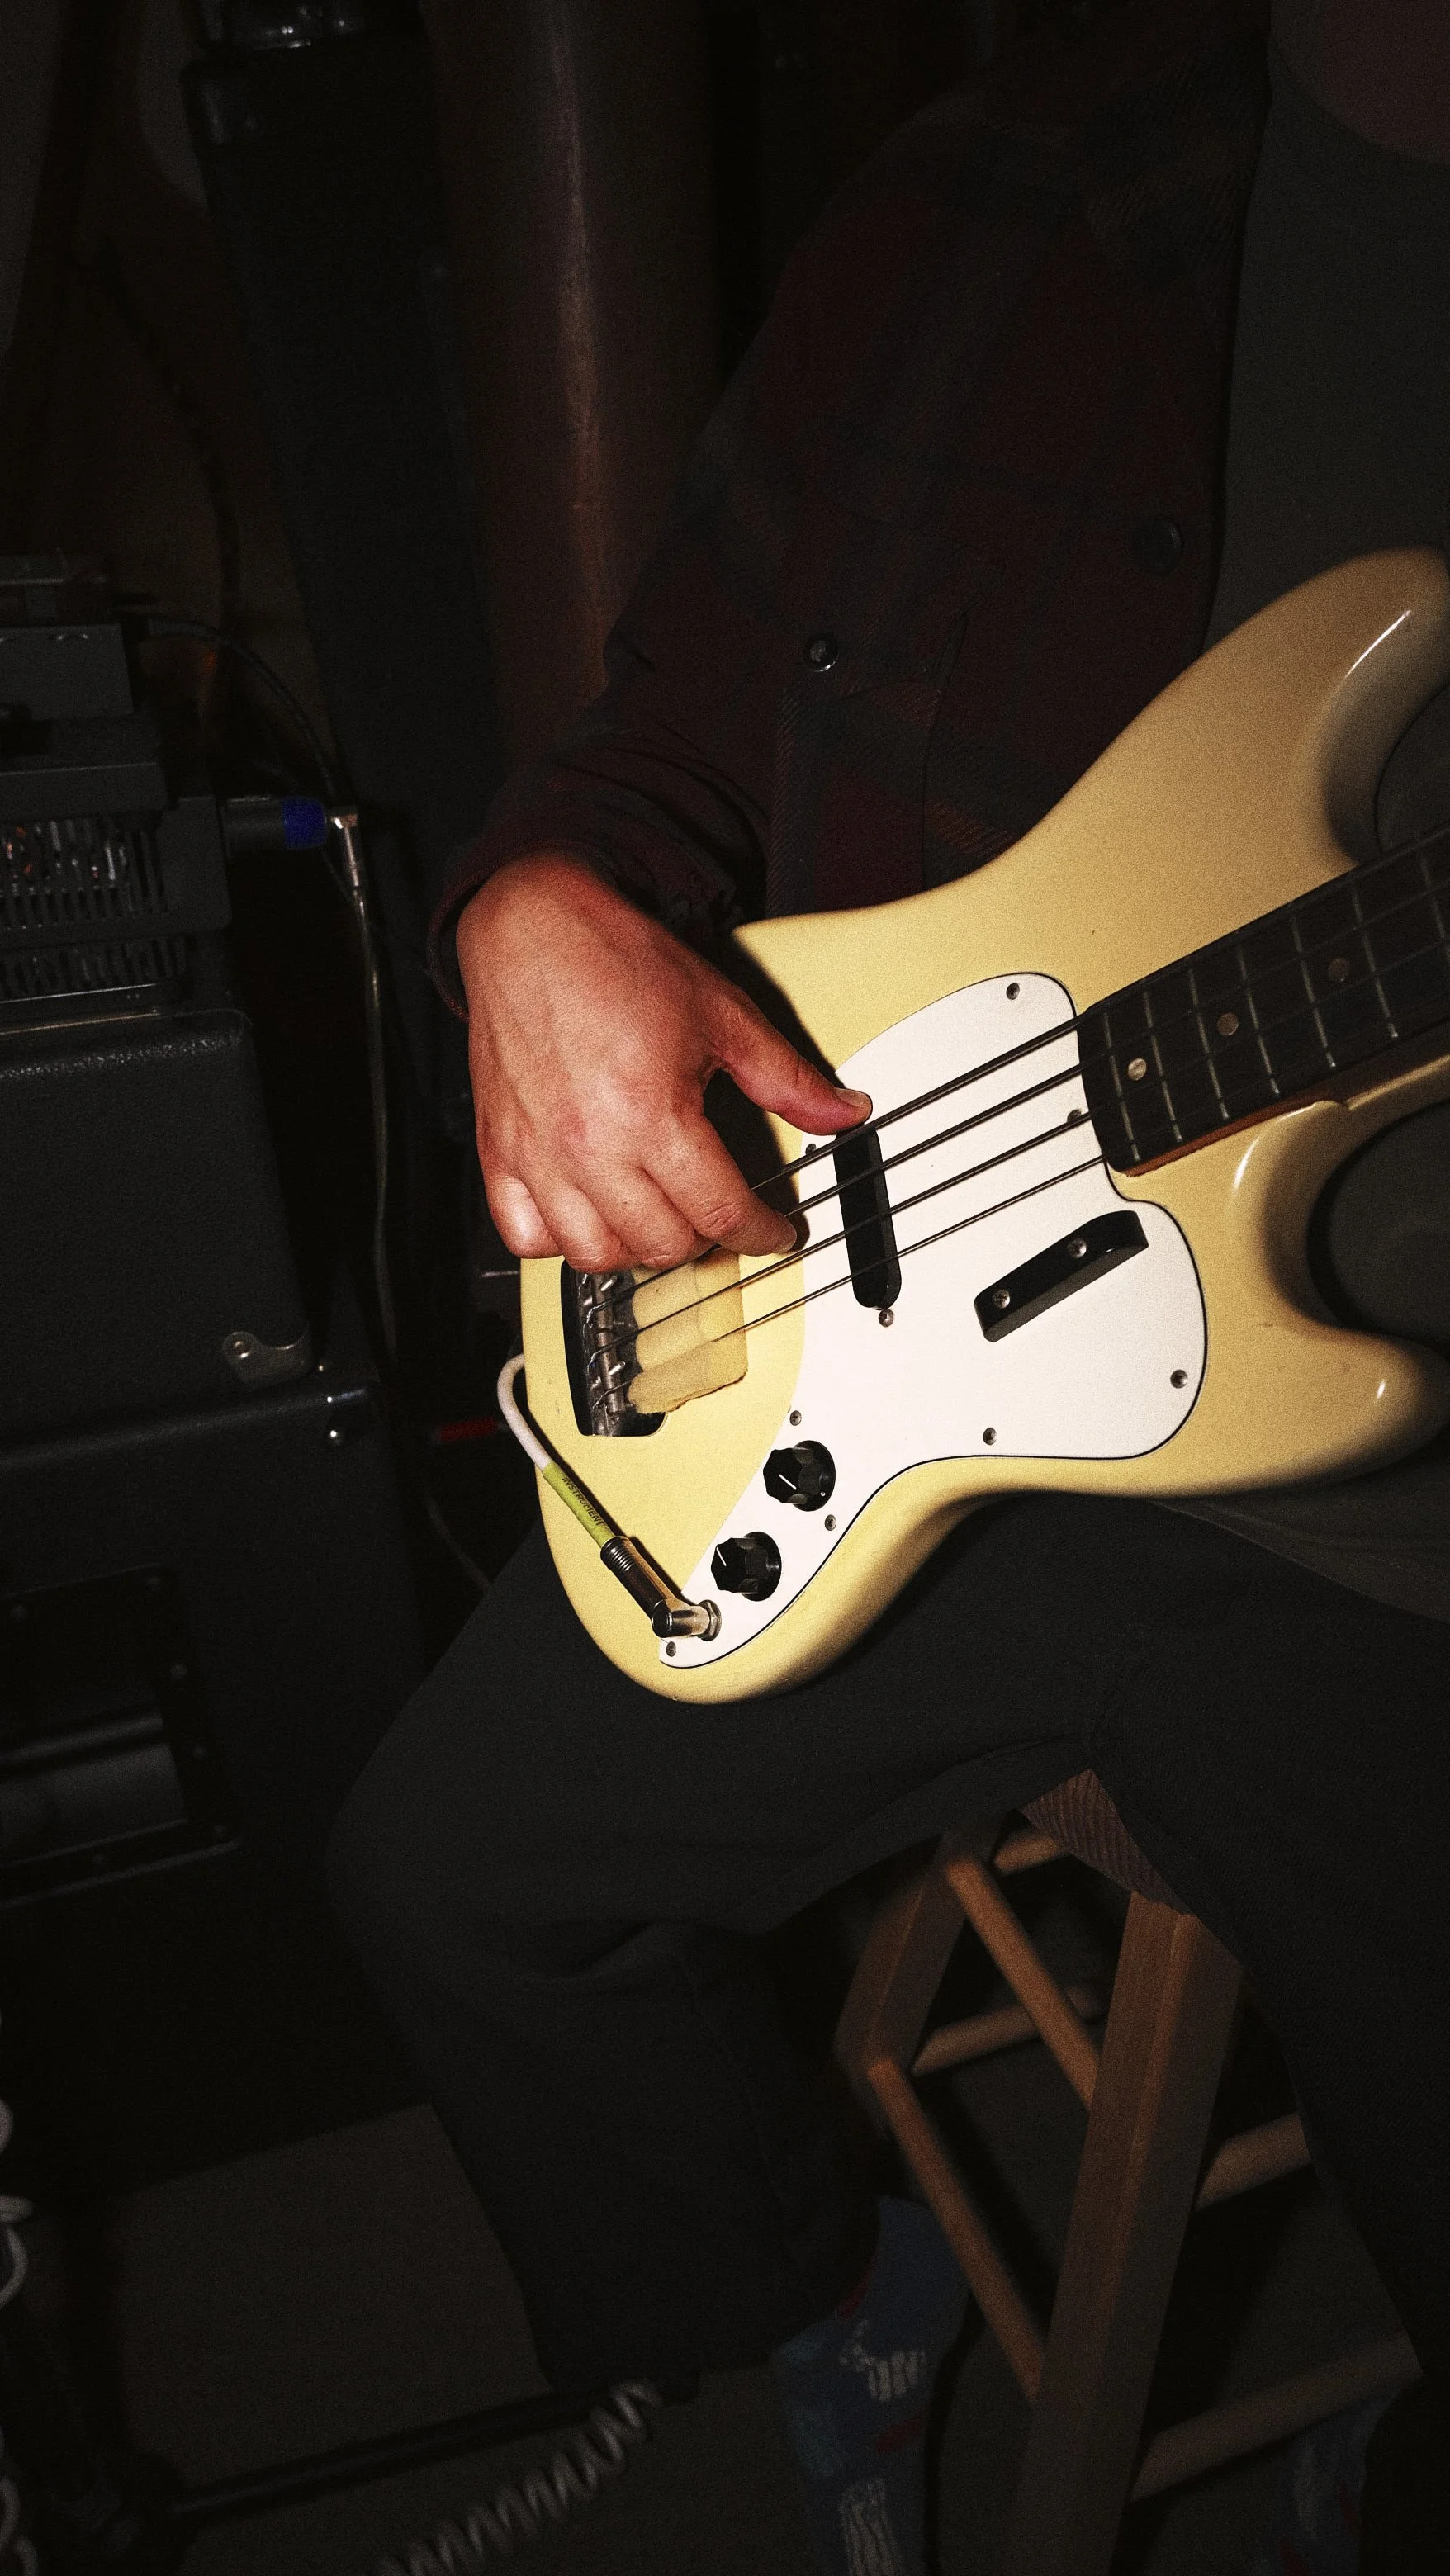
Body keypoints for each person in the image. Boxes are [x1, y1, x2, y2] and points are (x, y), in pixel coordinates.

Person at [327, 2, 1450, 2566]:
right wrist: (543, 895)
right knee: (453, 1882)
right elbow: (679, 711)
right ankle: (826, 2281)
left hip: (1403, 1556)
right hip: (921, 1309)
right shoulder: (1026, 171)